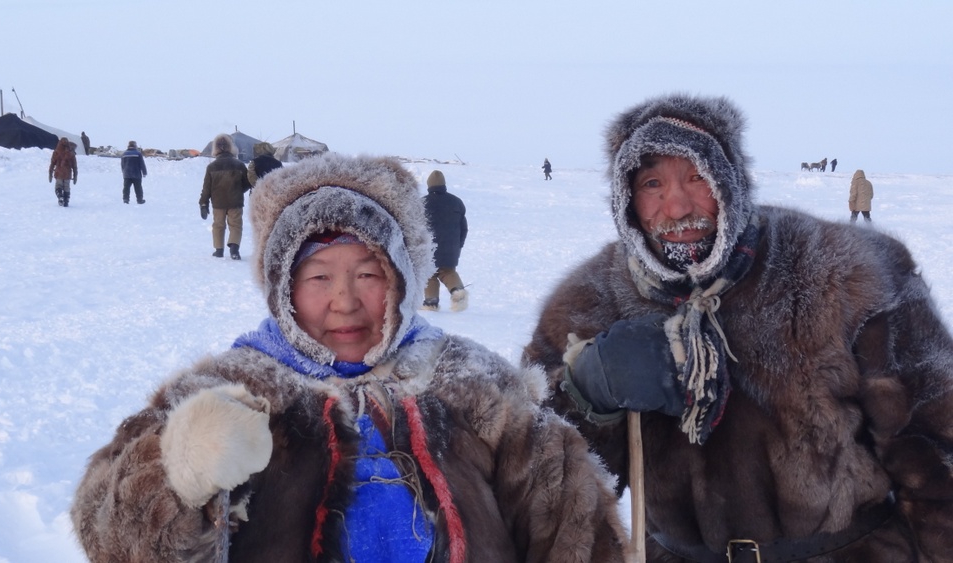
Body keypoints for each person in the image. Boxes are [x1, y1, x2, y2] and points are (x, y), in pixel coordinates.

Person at [69, 153, 626, 562]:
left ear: (403, 279)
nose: (345, 301)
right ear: (282, 287)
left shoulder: (473, 383)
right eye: (318, 277)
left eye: (368, 273)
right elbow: (105, 528)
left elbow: (571, 522)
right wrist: (179, 471)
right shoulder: (233, 386)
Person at [522, 93, 953, 561]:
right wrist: (588, 393)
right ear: (626, 200)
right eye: (652, 183)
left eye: (696, 178)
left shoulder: (844, 271)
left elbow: (935, 443)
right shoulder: (590, 303)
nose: (677, 206)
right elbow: (542, 487)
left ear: (729, 182)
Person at [421, 170, 469, 312]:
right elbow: (463, 227)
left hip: (429, 247)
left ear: (429, 185)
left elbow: (415, 229)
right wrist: (459, 245)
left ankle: (431, 303)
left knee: (429, 274)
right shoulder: (456, 202)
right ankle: (459, 295)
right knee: (448, 272)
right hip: (451, 248)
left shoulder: (422, 203)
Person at [200, 133, 251, 260]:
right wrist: (238, 191)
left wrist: (203, 203)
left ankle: (219, 250)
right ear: (230, 147)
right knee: (235, 225)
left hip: (218, 203)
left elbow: (206, 188)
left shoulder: (212, 167)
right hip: (236, 201)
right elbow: (248, 182)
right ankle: (234, 249)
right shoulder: (239, 165)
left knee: (218, 225)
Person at [48, 136, 77, 207]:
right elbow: (74, 166)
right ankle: (66, 201)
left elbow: (52, 163)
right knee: (66, 187)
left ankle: (60, 196)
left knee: (58, 186)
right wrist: (75, 176)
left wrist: (50, 173)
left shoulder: (56, 152)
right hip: (68, 174)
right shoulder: (71, 153)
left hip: (59, 173)